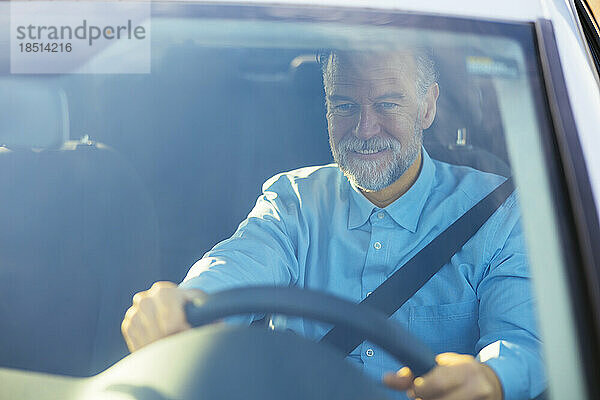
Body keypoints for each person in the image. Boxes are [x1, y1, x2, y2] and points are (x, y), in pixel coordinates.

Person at [121, 49, 545, 400]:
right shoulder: (293, 201)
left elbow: (525, 342)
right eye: (344, 105)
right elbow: (237, 263)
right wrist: (182, 305)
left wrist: (491, 379)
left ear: (428, 106)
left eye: (387, 104)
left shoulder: (498, 211)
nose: (364, 128)